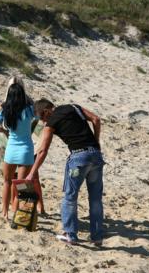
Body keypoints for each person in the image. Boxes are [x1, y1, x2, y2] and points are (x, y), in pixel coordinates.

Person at [26, 99, 104, 246]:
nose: (42, 121)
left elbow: (43, 150)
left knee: (70, 197)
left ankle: (70, 234)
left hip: (78, 158)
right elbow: (96, 119)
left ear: (47, 110)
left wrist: (32, 172)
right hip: (96, 155)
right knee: (95, 199)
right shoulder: (73, 107)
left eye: (41, 117)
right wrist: (96, 140)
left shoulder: (51, 122)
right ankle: (97, 236)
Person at [0, 77, 39, 221]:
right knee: (21, 185)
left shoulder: (6, 111)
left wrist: (5, 132)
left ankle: (4, 213)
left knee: (7, 182)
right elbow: (39, 118)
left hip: (11, 150)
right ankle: (17, 213)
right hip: (26, 150)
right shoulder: (30, 109)